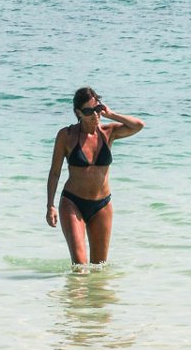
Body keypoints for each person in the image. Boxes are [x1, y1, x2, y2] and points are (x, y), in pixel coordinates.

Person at [47, 87, 145, 266]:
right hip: (72, 203)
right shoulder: (66, 135)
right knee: (80, 266)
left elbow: (138, 125)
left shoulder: (109, 132)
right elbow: (54, 173)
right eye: (88, 111)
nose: (94, 115)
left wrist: (111, 114)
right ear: (78, 112)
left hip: (102, 205)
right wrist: (50, 206)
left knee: (99, 268)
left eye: (97, 109)